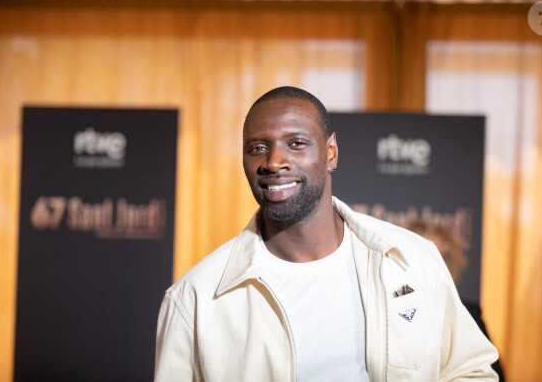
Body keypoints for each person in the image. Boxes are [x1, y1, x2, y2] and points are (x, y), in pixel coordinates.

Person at [154, 86, 499, 381]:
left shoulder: (411, 259)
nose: (274, 161)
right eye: (257, 148)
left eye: (296, 143)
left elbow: (470, 370)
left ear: (330, 151)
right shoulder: (195, 299)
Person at [405, 219, 506, 381]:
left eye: (442, 258)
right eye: (426, 258)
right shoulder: (389, 311)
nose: (435, 266)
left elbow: (492, 374)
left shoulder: (469, 313)